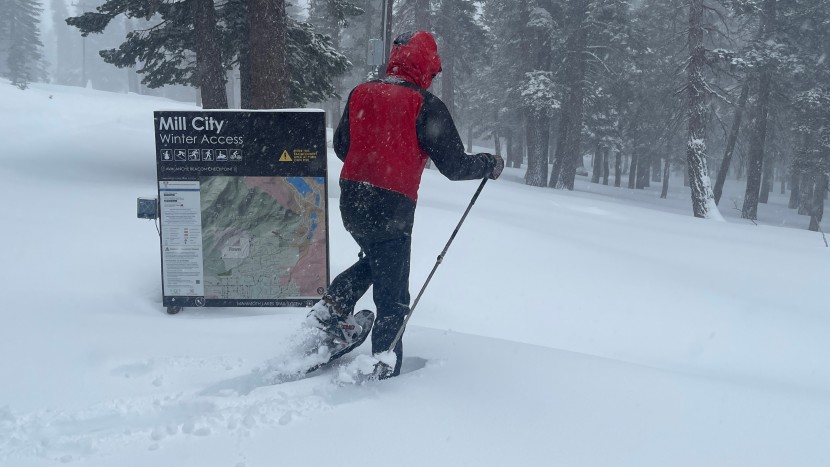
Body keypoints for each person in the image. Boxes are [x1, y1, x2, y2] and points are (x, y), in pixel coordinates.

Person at [306, 30, 504, 379]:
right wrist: (488, 164)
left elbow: (342, 147)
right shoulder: (425, 106)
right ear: (427, 66)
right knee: (393, 292)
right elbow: (454, 166)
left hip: (352, 199)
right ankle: (382, 364)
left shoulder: (361, 92)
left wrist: (371, 159)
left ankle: (332, 309)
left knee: (379, 262)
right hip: (392, 206)